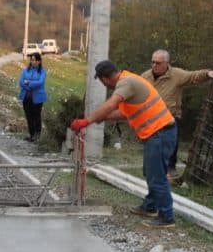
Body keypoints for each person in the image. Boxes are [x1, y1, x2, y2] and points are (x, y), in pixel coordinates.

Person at [71, 60, 177, 228]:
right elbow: (123, 112)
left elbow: (111, 104)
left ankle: (166, 217)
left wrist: (87, 121)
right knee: (152, 172)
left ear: (105, 79)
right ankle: (150, 206)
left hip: (160, 133)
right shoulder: (128, 80)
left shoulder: (125, 83)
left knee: (156, 176)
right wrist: (102, 117)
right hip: (158, 133)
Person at [140, 49, 213, 179]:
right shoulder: (145, 77)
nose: (154, 65)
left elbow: (193, 76)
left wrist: (208, 73)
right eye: (153, 62)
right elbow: (136, 93)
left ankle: (170, 169)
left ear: (166, 63)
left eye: (158, 63)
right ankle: (151, 169)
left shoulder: (176, 75)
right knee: (152, 144)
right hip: (151, 118)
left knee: (171, 143)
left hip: (170, 116)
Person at [18, 52, 47, 141]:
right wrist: (29, 85)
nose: (32, 62)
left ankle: (37, 135)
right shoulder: (26, 70)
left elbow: (40, 82)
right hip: (26, 97)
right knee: (29, 116)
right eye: (31, 60)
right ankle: (31, 135)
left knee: (36, 116)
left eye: (34, 60)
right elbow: (21, 82)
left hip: (37, 98)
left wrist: (29, 83)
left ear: (39, 61)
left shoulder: (43, 72)